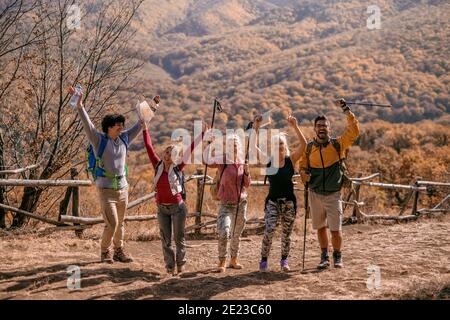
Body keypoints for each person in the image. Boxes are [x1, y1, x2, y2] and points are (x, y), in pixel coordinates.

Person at [69, 86, 141, 264]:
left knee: (121, 223)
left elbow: (140, 124)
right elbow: (88, 125)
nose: (122, 128)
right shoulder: (98, 140)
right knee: (113, 223)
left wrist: (153, 106)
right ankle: (104, 251)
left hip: (122, 188)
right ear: (108, 128)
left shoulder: (124, 138)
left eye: (122, 125)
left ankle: (119, 251)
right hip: (106, 189)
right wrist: (80, 105)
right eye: (118, 126)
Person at [299, 100, 360, 269]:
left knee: (335, 229)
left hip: (334, 194)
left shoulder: (337, 145)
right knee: (320, 228)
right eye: (319, 125)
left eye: (325, 126)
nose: (322, 128)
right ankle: (324, 256)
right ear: (315, 128)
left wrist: (346, 110)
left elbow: (354, 132)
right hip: (315, 193)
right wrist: (304, 174)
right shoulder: (309, 148)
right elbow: (302, 165)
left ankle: (337, 256)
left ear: (329, 129)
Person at [142, 119, 207, 276]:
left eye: (171, 153)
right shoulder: (157, 166)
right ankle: (169, 266)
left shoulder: (178, 167)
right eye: (166, 152)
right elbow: (149, 147)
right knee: (165, 239)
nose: (167, 155)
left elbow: (190, 149)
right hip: (162, 208)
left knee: (179, 238)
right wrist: (145, 129)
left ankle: (180, 265)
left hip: (178, 208)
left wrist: (202, 134)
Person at [253, 114, 307, 272]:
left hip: (289, 202)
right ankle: (263, 260)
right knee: (269, 230)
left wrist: (295, 126)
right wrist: (256, 128)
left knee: (286, 233)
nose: (279, 147)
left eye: (282, 144)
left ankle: (284, 260)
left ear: (285, 147)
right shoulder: (269, 161)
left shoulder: (291, 160)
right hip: (272, 202)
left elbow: (304, 145)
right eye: (276, 144)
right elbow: (253, 149)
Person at [205, 134, 251, 273]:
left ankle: (234, 260)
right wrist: (209, 144)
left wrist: (247, 172)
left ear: (239, 147)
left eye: (236, 144)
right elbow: (206, 161)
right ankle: (222, 260)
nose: (234, 147)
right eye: (231, 144)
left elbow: (247, 184)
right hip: (226, 203)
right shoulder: (223, 160)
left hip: (241, 203)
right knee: (224, 231)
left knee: (237, 233)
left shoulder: (242, 162)